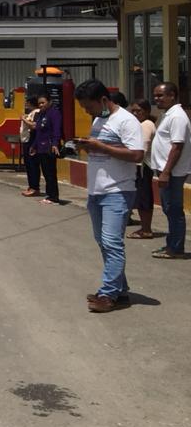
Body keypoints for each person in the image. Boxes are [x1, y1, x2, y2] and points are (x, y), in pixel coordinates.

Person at [74, 79, 145, 313]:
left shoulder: (126, 121)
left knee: (112, 243)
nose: (86, 111)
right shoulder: (99, 119)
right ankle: (120, 290)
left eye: (88, 106)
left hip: (118, 191)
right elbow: (102, 147)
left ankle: (108, 294)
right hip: (97, 191)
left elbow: (136, 155)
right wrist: (87, 146)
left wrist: (101, 147)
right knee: (103, 242)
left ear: (103, 100)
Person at [150, 81, 190, 260]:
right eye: (155, 95)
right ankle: (171, 243)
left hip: (172, 172)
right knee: (168, 209)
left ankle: (176, 248)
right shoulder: (167, 115)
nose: (156, 99)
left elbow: (177, 146)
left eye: (160, 95)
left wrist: (166, 172)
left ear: (172, 95)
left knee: (174, 210)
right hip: (165, 171)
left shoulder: (177, 117)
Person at [127, 99, 156, 240]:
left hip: (143, 166)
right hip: (139, 166)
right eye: (133, 110)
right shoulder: (139, 124)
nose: (135, 113)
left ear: (147, 111)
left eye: (139, 110)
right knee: (140, 197)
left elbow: (143, 146)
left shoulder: (146, 124)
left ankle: (146, 229)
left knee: (144, 197)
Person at [27, 95, 62, 205]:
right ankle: (49, 195)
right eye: (39, 103)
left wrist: (56, 143)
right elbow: (38, 131)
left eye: (43, 102)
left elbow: (57, 129)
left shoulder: (54, 113)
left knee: (51, 173)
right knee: (46, 173)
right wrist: (34, 146)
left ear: (50, 102)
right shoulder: (41, 114)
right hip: (41, 147)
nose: (41, 105)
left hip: (50, 146)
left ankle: (53, 197)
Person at [19, 103, 40, 197]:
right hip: (26, 140)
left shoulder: (36, 112)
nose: (25, 106)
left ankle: (34, 187)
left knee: (32, 165)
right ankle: (31, 186)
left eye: (27, 104)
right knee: (28, 165)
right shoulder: (30, 113)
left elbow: (33, 126)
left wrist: (23, 119)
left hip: (30, 141)